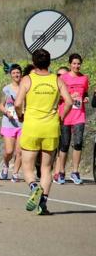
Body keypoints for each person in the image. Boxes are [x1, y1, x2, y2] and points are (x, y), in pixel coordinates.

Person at [14, 49, 72, 215]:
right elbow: (68, 101)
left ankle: (33, 187)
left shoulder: (27, 79)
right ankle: (43, 204)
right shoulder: (57, 79)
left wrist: (21, 116)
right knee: (46, 168)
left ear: (33, 62)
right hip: (51, 127)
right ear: (49, 63)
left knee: (27, 166)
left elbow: (18, 103)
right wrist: (61, 118)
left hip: (32, 126)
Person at [53, 54, 90, 185]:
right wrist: (68, 97)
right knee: (64, 144)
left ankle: (75, 172)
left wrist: (85, 98)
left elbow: (85, 92)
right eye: (74, 63)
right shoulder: (63, 78)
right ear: (70, 64)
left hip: (79, 114)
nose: (76, 66)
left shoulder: (84, 78)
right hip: (66, 114)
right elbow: (57, 96)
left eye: (78, 64)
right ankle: (61, 172)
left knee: (78, 143)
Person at [0, 63, 23, 182]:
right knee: (9, 151)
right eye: (13, 73)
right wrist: (6, 112)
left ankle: (15, 173)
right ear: (10, 75)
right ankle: (5, 164)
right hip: (9, 123)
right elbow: (1, 105)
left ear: (21, 74)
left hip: (22, 124)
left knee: (20, 151)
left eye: (18, 72)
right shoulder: (6, 89)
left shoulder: (25, 88)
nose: (16, 75)